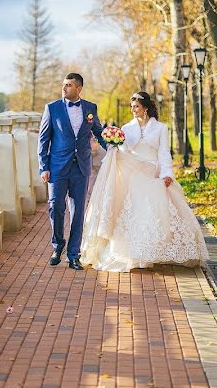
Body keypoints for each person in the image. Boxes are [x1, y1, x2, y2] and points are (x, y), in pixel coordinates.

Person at [80, 91, 208, 272]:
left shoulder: (161, 128)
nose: (133, 110)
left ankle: (154, 251)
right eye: (131, 107)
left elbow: (164, 152)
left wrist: (167, 173)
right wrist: (115, 145)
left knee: (156, 212)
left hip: (152, 173)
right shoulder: (126, 128)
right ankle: (135, 254)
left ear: (145, 108)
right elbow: (124, 151)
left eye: (136, 107)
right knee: (136, 212)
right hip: (132, 175)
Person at [38, 73, 107, 270]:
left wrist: (112, 146)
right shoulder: (52, 108)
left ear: (78, 88)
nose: (64, 88)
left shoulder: (90, 108)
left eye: (68, 85)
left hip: (81, 167)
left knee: (78, 212)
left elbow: (98, 132)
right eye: (63, 85)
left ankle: (74, 254)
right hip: (57, 167)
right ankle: (58, 245)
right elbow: (43, 140)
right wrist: (44, 167)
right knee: (56, 208)